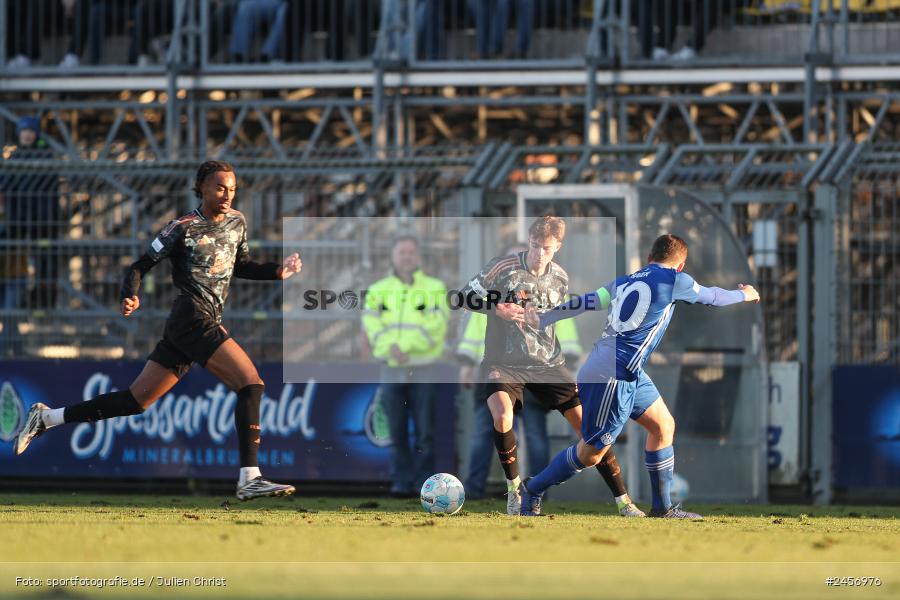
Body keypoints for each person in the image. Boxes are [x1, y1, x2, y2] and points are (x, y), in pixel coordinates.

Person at [12, 160, 303, 502]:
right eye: (219, 188)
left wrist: (277, 272)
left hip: (199, 320)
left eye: (232, 188)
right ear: (202, 188)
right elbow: (140, 265)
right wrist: (129, 294)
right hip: (191, 317)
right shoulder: (182, 227)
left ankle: (47, 418)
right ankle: (250, 477)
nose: (227, 194)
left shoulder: (238, 222)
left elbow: (241, 266)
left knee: (136, 401)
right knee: (251, 384)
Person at [520, 234, 760, 518]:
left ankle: (663, 508)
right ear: (680, 265)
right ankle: (533, 488)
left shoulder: (624, 281)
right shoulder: (675, 280)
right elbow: (713, 297)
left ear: (649, 257)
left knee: (663, 426)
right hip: (612, 375)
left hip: (624, 370)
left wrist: (545, 317)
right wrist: (745, 294)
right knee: (592, 453)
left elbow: (587, 301)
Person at [460, 216, 643, 516]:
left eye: (546, 248)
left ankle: (624, 502)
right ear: (529, 241)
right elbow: (464, 296)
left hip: (547, 364)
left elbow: (555, 316)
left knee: (591, 432)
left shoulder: (560, 277)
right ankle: (514, 490)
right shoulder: (503, 267)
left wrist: (543, 318)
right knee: (503, 415)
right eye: (534, 246)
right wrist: (496, 308)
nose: (538, 254)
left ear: (557, 247)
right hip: (502, 362)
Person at [362, 235, 449, 497]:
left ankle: (425, 485)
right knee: (396, 431)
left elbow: (438, 324)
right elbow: (371, 324)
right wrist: (391, 349)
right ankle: (400, 483)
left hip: (423, 367)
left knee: (425, 432)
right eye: (402, 252)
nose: (406, 256)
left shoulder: (435, 288)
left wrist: (405, 347)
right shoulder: (378, 289)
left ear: (418, 256)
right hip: (392, 367)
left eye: (411, 252)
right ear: (393, 256)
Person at [0, 117, 60, 310]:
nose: (26, 135)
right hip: (18, 220)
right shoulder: (16, 157)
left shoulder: (45, 156)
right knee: (13, 260)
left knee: (45, 262)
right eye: (23, 131)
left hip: (42, 222)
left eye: (30, 131)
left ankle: (43, 304)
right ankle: (17, 302)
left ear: (36, 134)